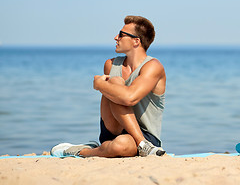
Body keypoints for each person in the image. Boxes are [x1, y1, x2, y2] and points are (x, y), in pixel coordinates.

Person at [51, 15, 166, 157]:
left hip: (146, 135)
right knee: (115, 82)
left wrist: (99, 85)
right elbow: (117, 96)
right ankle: (80, 149)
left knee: (120, 145)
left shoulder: (153, 67)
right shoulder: (111, 65)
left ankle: (89, 150)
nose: (115, 37)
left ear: (136, 41)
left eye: (122, 35)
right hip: (114, 128)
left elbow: (130, 98)